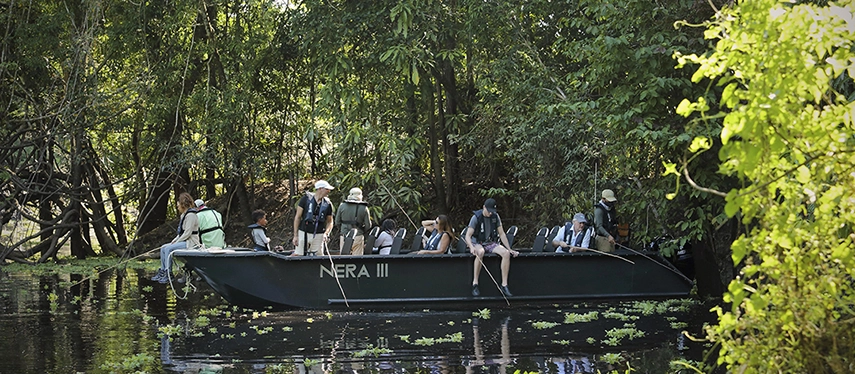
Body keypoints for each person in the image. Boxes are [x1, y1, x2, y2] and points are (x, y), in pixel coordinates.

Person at [464, 198, 518, 297]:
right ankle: (475, 283)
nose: (490, 213)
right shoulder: (476, 217)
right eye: (488, 211)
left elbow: (501, 234)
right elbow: (468, 235)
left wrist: (509, 249)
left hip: (490, 242)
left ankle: (504, 284)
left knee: (506, 253)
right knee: (480, 252)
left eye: (492, 211)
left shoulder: (495, 217)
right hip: (478, 242)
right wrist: (471, 247)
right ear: (484, 207)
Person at [151, 192, 200, 283]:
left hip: (191, 242)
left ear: (183, 205)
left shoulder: (191, 216)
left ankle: (169, 273)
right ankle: (163, 271)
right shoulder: (183, 215)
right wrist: (175, 239)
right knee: (163, 247)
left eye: (178, 206)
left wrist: (177, 241)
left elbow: (187, 233)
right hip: (184, 241)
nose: (177, 208)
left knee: (169, 249)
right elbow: (181, 232)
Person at [292, 180, 335, 256]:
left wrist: (326, 234)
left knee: (318, 256)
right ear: (320, 189)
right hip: (304, 232)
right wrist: (295, 235)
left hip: (319, 234)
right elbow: (298, 217)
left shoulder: (327, 204)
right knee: (298, 255)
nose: (328, 191)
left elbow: (330, 221)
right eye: (327, 189)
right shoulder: (305, 199)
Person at [335, 187, 372, 255]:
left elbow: (337, 222)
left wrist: (342, 229)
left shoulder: (342, 206)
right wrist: (362, 231)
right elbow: (368, 225)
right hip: (358, 236)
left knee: (343, 258)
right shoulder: (364, 208)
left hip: (344, 235)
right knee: (357, 259)